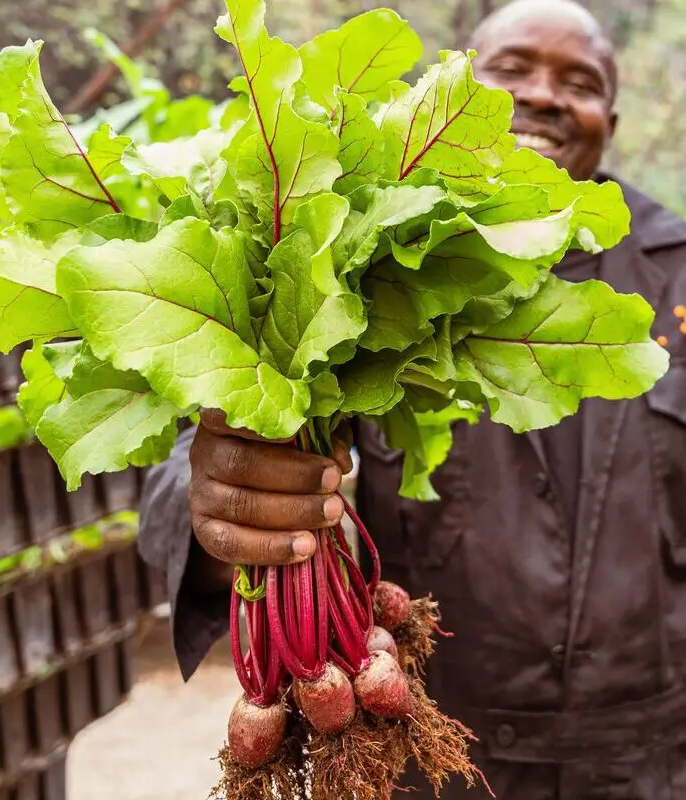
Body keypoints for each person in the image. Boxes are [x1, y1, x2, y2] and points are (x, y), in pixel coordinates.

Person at [138, 1, 686, 797]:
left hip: (650, 754)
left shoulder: (676, 269)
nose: (541, 95)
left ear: (612, 116)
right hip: (421, 750)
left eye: (578, 81)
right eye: (508, 72)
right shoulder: (372, 247)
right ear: (453, 89)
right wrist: (219, 494)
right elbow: (202, 447)